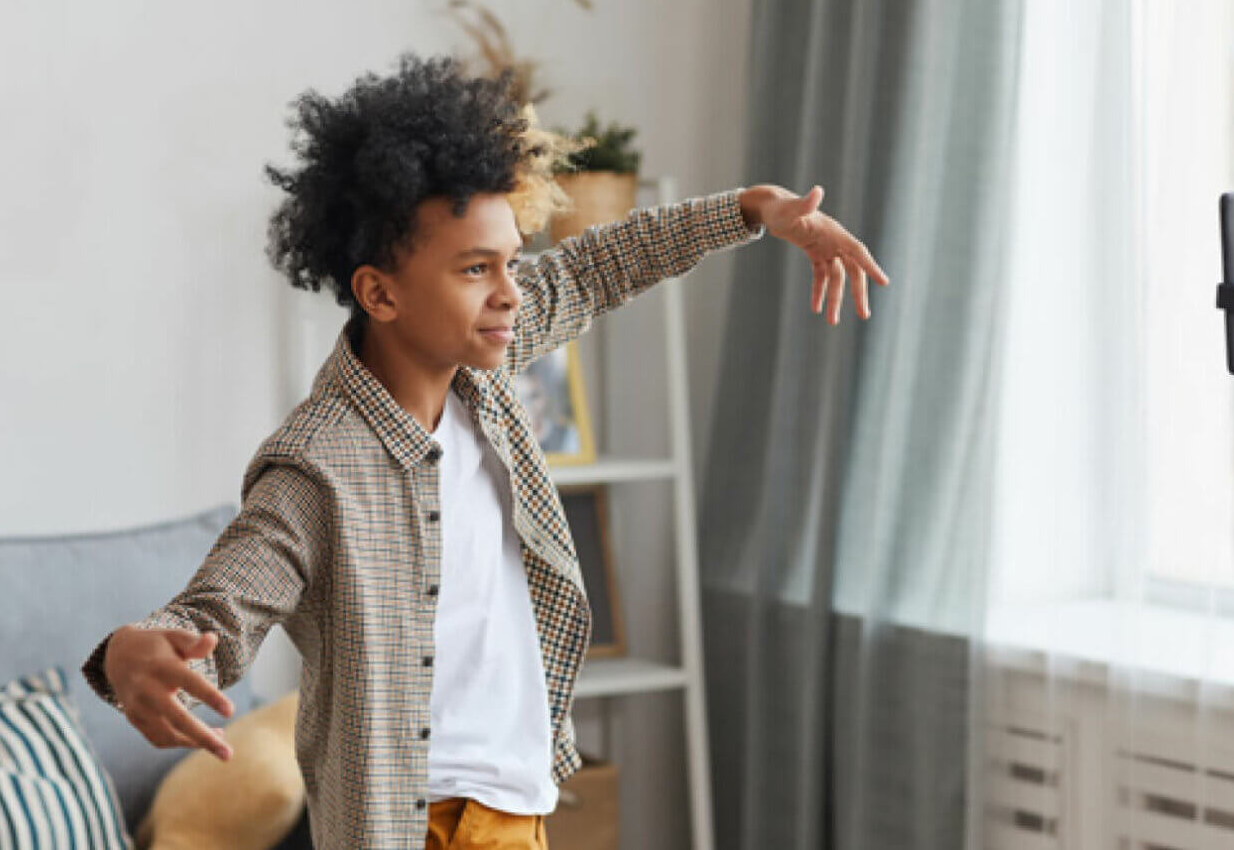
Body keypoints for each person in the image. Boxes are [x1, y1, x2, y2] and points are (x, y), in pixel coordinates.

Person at [80, 51, 888, 850]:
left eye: (510, 261)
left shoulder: (481, 371)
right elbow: (224, 602)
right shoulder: (317, 466)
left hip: (517, 806)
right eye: (476, 268)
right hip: (420, 822)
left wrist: (751, 209)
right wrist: (133, 650)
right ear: (379, 292)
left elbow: (597, 267)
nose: (509, 290)